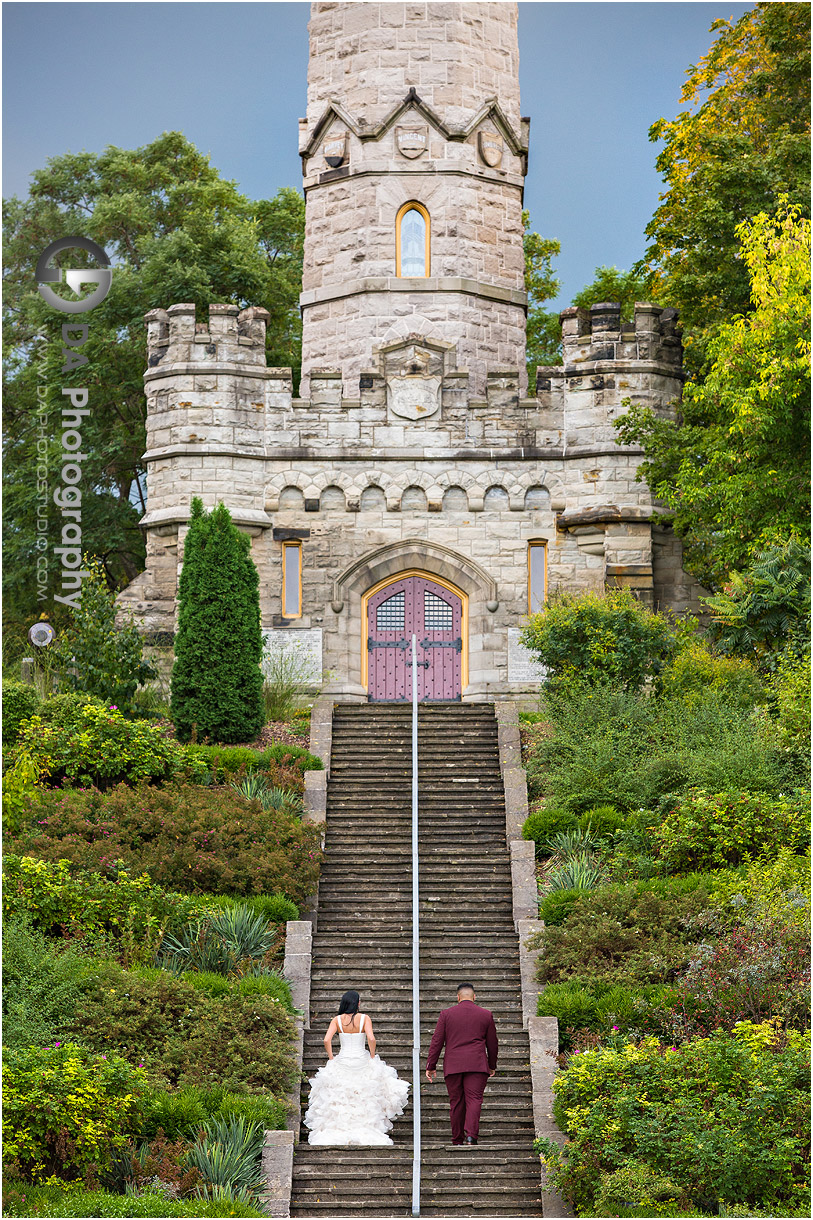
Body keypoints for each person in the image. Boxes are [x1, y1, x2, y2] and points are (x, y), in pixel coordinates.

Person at [304, 989, 410, 1145]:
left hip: (343, 1061)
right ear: (357, 1003)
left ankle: (341, 1128)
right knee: (364, 1097)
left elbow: (327, 1040)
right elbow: (371, 1038)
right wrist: (373, 1055)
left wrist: (331, 1058)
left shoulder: (337, 1020)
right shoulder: (364, 1018)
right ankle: (366, 1127)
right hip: (361, 1060)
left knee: (341, 1098)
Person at [425, 983, 498, 1146]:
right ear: (474, 997)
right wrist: (492, 1064)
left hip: (453, 1065)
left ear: (457, 997)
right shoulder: (486, 1015)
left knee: (456, 1102)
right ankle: (471, 1136)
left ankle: (457, 1139)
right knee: (474, 1099)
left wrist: (431, 1065)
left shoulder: (446, 1014)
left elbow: (437, 1041)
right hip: (477, 1064)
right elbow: (493, 1043)